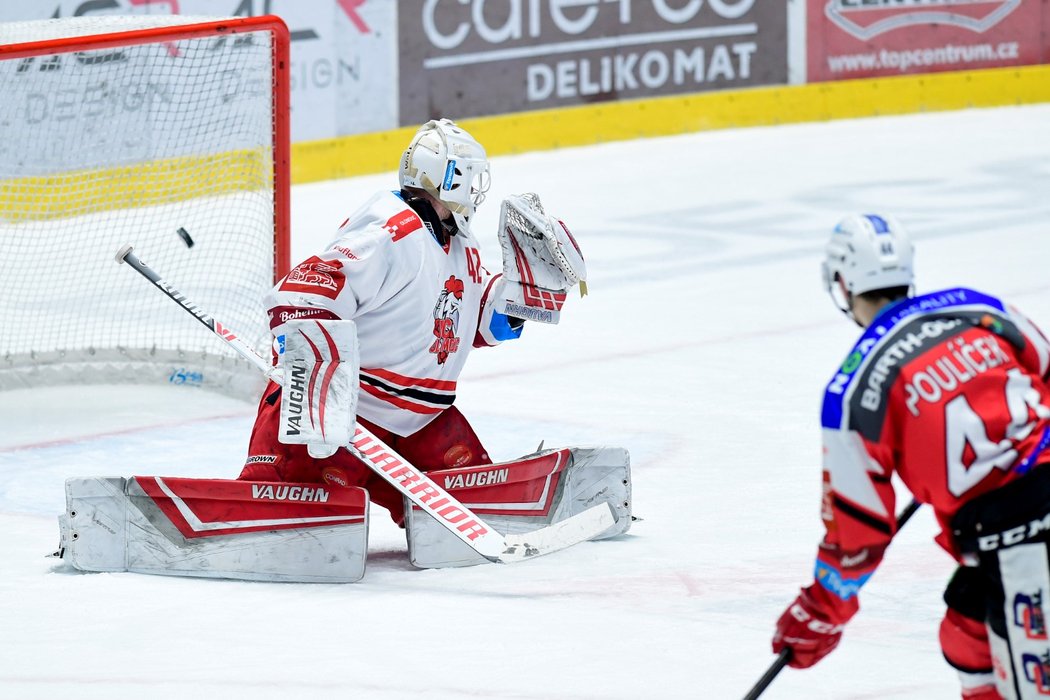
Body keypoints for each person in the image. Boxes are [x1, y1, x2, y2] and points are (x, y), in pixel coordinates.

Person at [237, 118, 584, 526]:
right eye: (469, 178)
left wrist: (517, 299)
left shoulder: (460, 244)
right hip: (346, 418)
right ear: (447, 178)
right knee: (288, 512)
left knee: (477, 508)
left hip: (420, 419)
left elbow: (467, 324)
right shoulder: (390, 232)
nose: (475, 191)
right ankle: (256, 507)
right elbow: (302, 295)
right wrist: (312, 369)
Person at [771, 214, 1050, 699]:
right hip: (1016, 525)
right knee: (967, 635)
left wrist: (820, 611)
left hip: (1022, 536)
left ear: (842, 283)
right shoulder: (981, 308)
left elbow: (855, 534)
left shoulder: (855, 389)